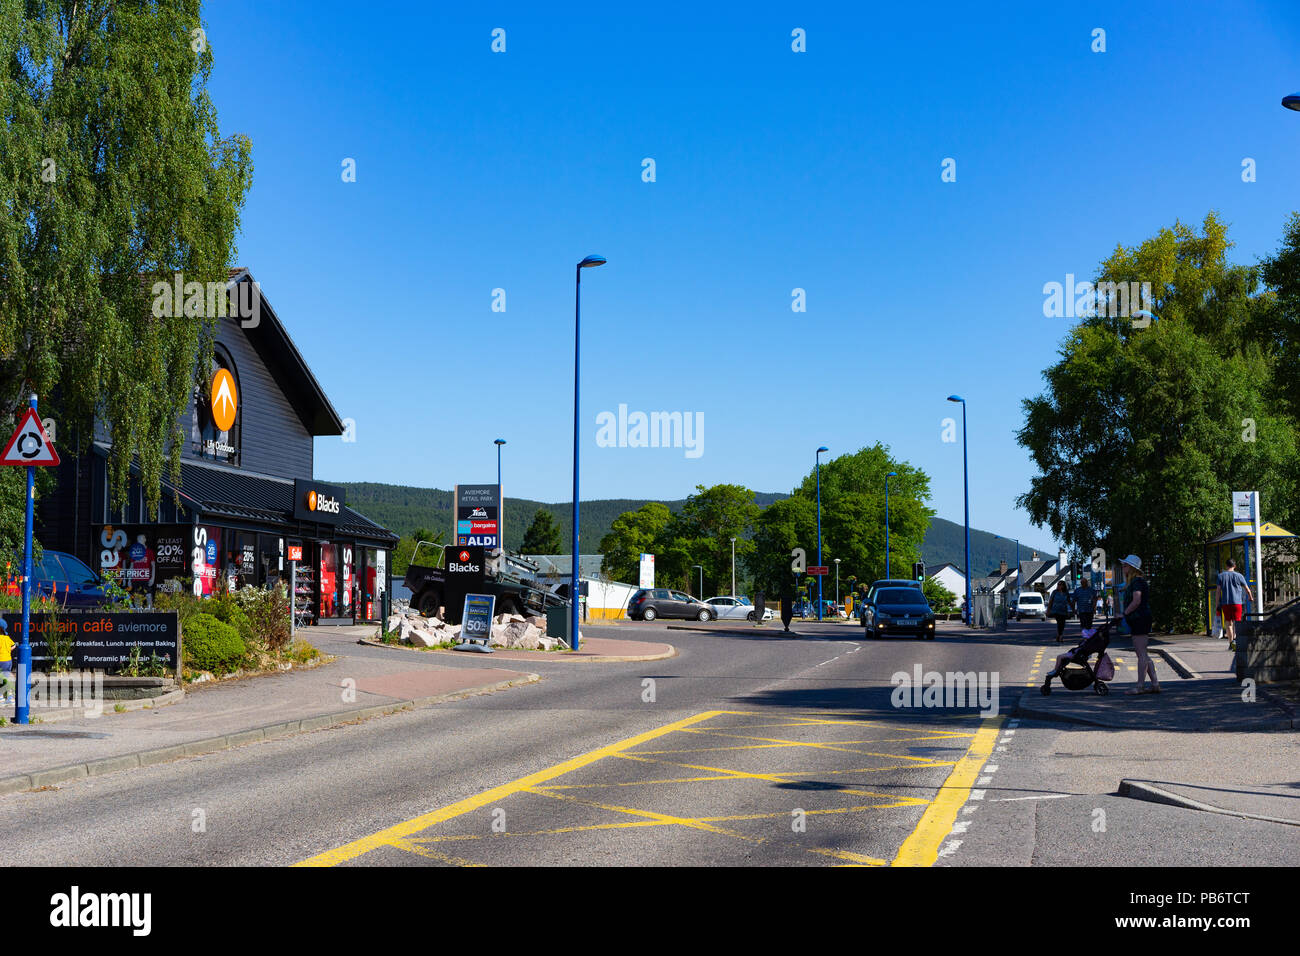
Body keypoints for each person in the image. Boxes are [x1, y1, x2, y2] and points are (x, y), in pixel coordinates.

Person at [1119, 555, 1159, 694]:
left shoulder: (1137, 582)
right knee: (1144, 654)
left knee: (1141, 654)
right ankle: (1154, 684)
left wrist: (1124, 613)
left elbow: (1136, 600)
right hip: (1140, 618)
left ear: (1132, 568)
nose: (1122, 568)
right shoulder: (1136, 582)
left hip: (1139, 619)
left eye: (1125, 565)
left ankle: (1140, 686)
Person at [1215, 557, 1254, 651]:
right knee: (1237, 622)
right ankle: (1237, 641)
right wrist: (1250, 597)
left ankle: (1231, 643)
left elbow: (1218, 591)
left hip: (1226, 603)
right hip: (1237, 603)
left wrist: (1217, 604)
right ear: (1234, 566)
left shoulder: (1221, 576)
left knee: (1228, 623)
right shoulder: (1239, 576)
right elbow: (1247, 588)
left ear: (1226, 566)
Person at [0, 618, 14, 703]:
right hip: (8, 661)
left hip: (0, 661)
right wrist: (8, 650)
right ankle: (10, 697)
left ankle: (1, 697)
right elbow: (14, 645)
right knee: (7, 678)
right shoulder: (7, 638)